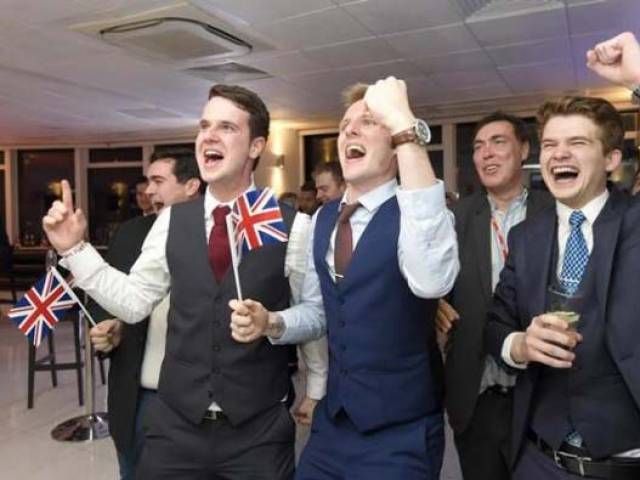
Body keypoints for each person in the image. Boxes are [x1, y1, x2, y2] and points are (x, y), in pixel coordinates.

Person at [43, 84, 322, 479]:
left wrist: (272, 324)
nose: (208, 135)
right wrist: (76, 250)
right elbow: (135, 301)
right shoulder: (171, 222)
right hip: (175, 427)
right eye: (204, 125)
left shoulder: (295, 227)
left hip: (258, 432)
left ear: (256, 146)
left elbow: (315, 316)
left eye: (226, 127)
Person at [230, 76, 459, 479]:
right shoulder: (323, 219)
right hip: (333, 425)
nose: (350, 129)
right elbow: (321, 312)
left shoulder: (421, 213)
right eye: (344, 125)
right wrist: (273, 322)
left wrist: (404, 124)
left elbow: (431, 282)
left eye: (369, 122)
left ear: (396, 145)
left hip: (401, 429)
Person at [483, 93, 640, 479]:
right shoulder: (525, 237)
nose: (559, 154)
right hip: (538, 459)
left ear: (611, 159)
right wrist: (519, 345)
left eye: (578, 143)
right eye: (551, 144)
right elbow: (496, 322)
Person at [438, 112, 552, 480]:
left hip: (541, 394)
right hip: (477, 393)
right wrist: (431, 303)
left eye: (498, 142)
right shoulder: (455, 218)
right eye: (477, 147)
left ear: (523, 149)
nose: (486, 154)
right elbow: (429, 280)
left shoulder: (554, 212)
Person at [88, 147, 202, 480]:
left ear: (191, 185)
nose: (148, 190)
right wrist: (108, 325)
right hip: (138, 392)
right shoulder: (129, 234)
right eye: (147, 182)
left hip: (194, 397)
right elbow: (106, 296)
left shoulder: (216, 236)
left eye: (157, 181)